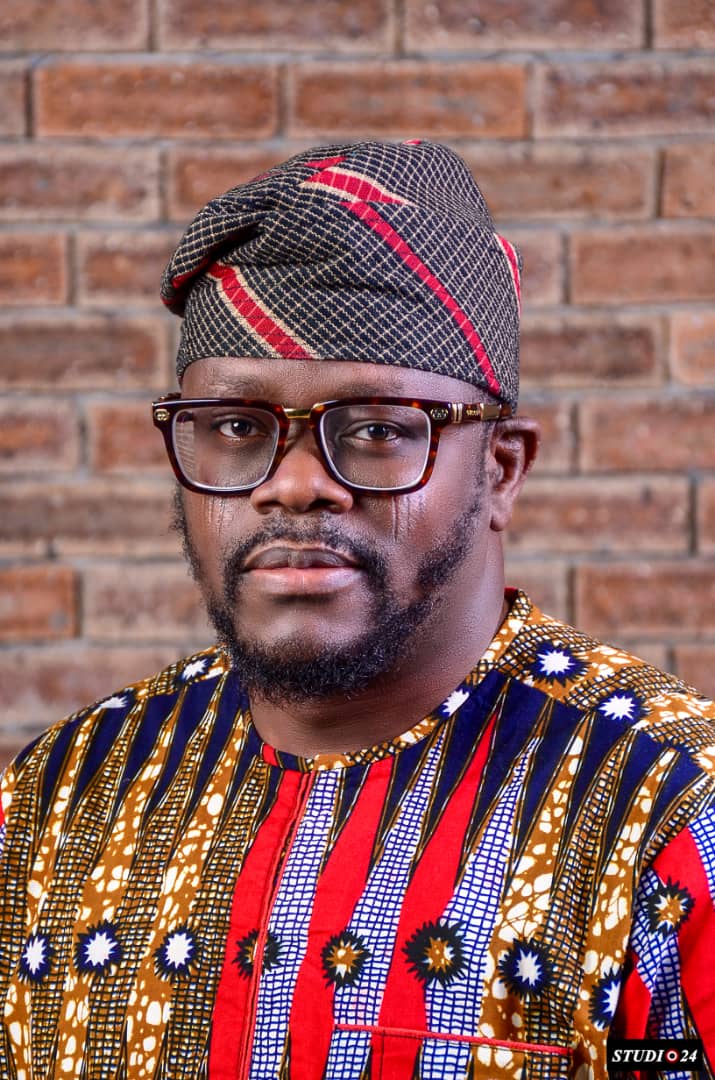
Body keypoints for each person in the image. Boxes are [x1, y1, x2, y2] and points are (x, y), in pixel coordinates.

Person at [0, 140, 712, 1080]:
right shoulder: (66, 789)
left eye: (376, 429)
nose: (295, 484)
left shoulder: (670, 812)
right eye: (237, 427)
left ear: (501, 471)